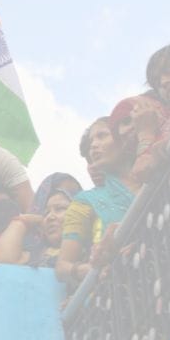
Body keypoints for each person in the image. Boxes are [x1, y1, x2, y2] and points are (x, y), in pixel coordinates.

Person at [56, 114, 140, 286]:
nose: (93, 145)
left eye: (102, 135)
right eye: (91, 142)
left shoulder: (155, 175)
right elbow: (62, 267)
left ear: (123, 137)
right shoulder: (85, 201)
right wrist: (86, 270)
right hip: (122, 289)